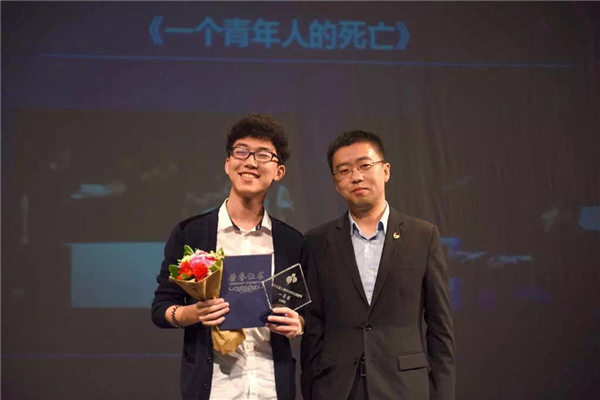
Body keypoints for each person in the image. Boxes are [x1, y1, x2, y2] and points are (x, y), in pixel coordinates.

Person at [151, 113, 305, 400]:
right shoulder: (191, 234)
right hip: (214, 389)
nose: (250, 162)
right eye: (241, 151)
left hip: (271, 388)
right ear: (227, 163)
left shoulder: (292, 242)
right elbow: (161, 309)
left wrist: (299, 323)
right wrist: (193, 313)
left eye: (263, 155)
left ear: (279, 171)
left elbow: (308, 312)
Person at [301, 130, 455, 400]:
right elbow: (313, 325)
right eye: (344, 171)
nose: (356, 177)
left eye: (364, 165)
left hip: (404, 387)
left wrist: (442, 393)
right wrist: (312, 387)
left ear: (385, 170)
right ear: (336, 183)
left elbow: (440, 326)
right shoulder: (317, 241)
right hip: (336, 388)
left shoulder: (422, 236)